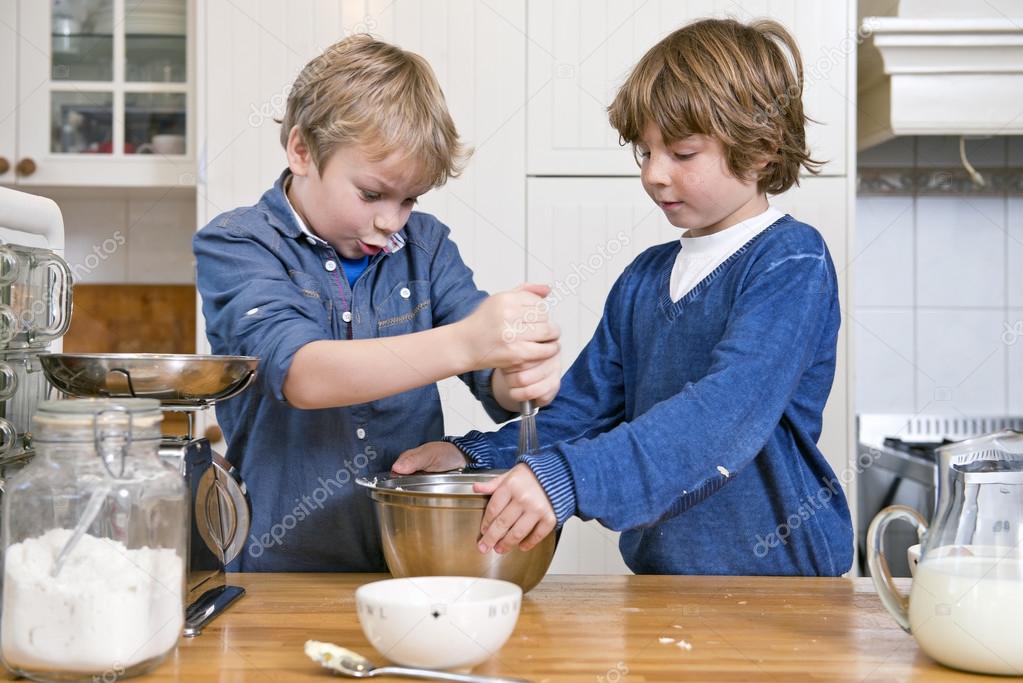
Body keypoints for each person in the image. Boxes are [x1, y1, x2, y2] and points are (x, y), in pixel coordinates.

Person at [394, 18, 854, 576]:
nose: (655, 175)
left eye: (682, 153)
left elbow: (722, 416)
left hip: (783, 586)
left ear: (762, 151)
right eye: (645, 152)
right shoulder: (643, 278)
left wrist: (567, 478)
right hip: (661, 578)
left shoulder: (790, 261)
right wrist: (474, 456)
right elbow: (584, 411)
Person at [194, 35, 560, 571]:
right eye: (371, 194)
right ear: (301, 151)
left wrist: (520, 372)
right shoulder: (238, 245)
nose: (392, 222)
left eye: (409, 199)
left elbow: (494, 377)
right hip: (278, 562)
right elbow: (301, 373)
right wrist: (470, 341)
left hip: (414, 559)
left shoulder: (427, 247)